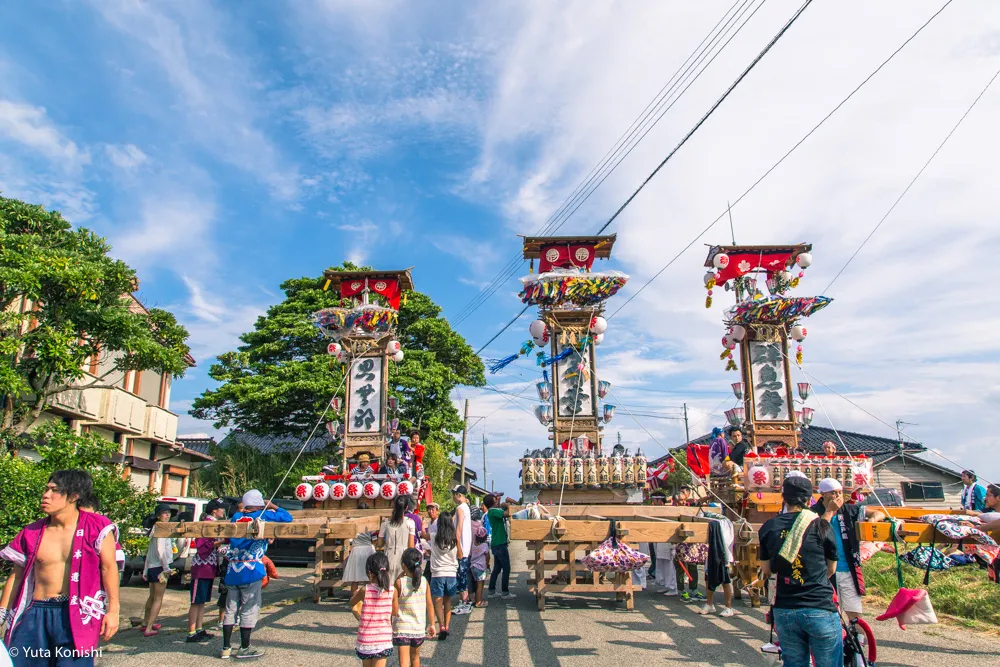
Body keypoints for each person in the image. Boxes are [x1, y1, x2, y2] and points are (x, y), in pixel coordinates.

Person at [1, 470, 120, 667]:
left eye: (54, 490)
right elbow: (16, 575)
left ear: (74, 496)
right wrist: (2, 613)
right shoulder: (31, 532)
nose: (45, 495)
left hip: (77, 614)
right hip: (35, 614)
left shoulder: (97, 527)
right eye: (46, 489)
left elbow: (109, 568)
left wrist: (113, 611)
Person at [759, 475, 842, 667]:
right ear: (809, 500)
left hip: (785, 608)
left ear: (784, 498)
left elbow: (766, 569)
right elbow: (831, 569)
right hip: (819, 606)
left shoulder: (769, 527)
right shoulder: (820, 524)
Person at [220, 490, 294, 660]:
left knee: (230, 609)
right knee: (249, 608)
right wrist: (274, 506)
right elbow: (287, 517)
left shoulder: (236, 517)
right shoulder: (265, 515)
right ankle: (244, 647)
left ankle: (225, 647)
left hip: (233, 570)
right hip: (251, 569)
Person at [811, 478, 884, 621]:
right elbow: (816, 531)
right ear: (823, 494)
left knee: (855, 613)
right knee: (828, 613)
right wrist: (829, 511)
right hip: (823, 570)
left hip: (847, 568)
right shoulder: (813, 513)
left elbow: (878, 513)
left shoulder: (849, 510)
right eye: (833, 493)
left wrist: (871, 522)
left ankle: (858, 641)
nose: (838, 496)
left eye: (840, 492)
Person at [187, 498, 227, 643]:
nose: (223, 510)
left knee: (202, 600)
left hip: (208, 566)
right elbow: (202, 546)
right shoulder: (206, 525)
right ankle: (191, 632)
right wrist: (221, 541)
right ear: (214, 510)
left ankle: (198, 628)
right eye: (221, 508)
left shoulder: (214, 524)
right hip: (201, 566)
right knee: (196, 601)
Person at [350, 552, 396, 667]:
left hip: (366, 639)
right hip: (383, 639)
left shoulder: (364, 590)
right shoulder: (392, 590)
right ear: (387, 571)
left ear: (369, 573)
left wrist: (355, 594)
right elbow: (395, 612)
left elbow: (351, 603)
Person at [393, 549, 434, 667]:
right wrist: (431, 624)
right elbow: (430, 604)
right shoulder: (424, 582)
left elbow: (393, 602)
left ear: (403, 565)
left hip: (403, 628)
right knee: (415, 659)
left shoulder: (400, 582)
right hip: (418, 628)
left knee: (404, 663)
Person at [141, 503, 175, 637]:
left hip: (151, 567)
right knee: (158, 598)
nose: (167, 515)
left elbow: (149, 552)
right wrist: (166, 568)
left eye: (168, 513)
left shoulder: (154, 528)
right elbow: (161, 551)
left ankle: (146, 621)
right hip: (159, 567)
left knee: (152, 596)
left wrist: (145, 569)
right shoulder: (161, 529)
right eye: (164, 513)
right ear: (158, 515)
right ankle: (149, 627)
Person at [669, 487, 704, 602]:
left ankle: (694, 590)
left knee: (693, 566)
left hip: (691, 541)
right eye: (680, 492)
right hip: (678, 541)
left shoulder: (691, 506)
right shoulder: (672, 508)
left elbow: (701, 504)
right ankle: (682, 591)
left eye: (684, 493)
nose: (683, 502)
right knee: (680, 567)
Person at [429, 511, 459, 641]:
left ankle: (440, 626)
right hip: (451, 574)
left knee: (438, 602)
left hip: (437, 574)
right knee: (448, 602)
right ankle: (447, 627)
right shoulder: (454, 539)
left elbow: (424, 535)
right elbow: (461, 555)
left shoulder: (434, 536)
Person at [377, 496, 416, 584]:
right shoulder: (410, 522)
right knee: (401, 585)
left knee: (388, 584)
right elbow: (411, 546)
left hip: (388, 556)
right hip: (404, 558)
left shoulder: (385, 523)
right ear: (406, 507)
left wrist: (387, 541)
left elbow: (379, 544)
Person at [484, 495, 516, 600]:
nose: (498, 500)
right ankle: (505, 592)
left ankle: (491, 591)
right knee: (506, 568)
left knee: (497, 568)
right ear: (492, 502)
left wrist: (507, 502)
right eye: (496, 499)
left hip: (496, 544)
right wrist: (509, 504)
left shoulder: (492, 511)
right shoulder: (493, 511)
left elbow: (502, 507)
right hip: (500, 544)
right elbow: (507, 513)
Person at [450, 485, 473, 616]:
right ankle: (465, 601)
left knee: (461, 575)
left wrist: (458, 547)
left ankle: (464, 603)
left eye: (454, 494)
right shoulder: (466, 507)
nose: (453, 497)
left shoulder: (460, 508)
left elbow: (458, 531)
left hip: (461, 547)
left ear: (459, 495)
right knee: (462, 574)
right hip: (466, 546)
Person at [344, 531, 377, 596]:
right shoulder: (370, 524)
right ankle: (369, 598)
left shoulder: (353, 523)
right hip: (368, 550)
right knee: (369, 578)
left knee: (355, 579)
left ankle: (354, 600)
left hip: (356, 550)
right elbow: (374, 540)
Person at [469, 522, 490, 608]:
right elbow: (488, 556)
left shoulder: (473, 544)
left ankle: (477, 599)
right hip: (481, 568)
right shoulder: (485, 545)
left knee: (477, 584)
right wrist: (487, 565)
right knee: (480, 586)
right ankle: (478, 602)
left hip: (473, 567)